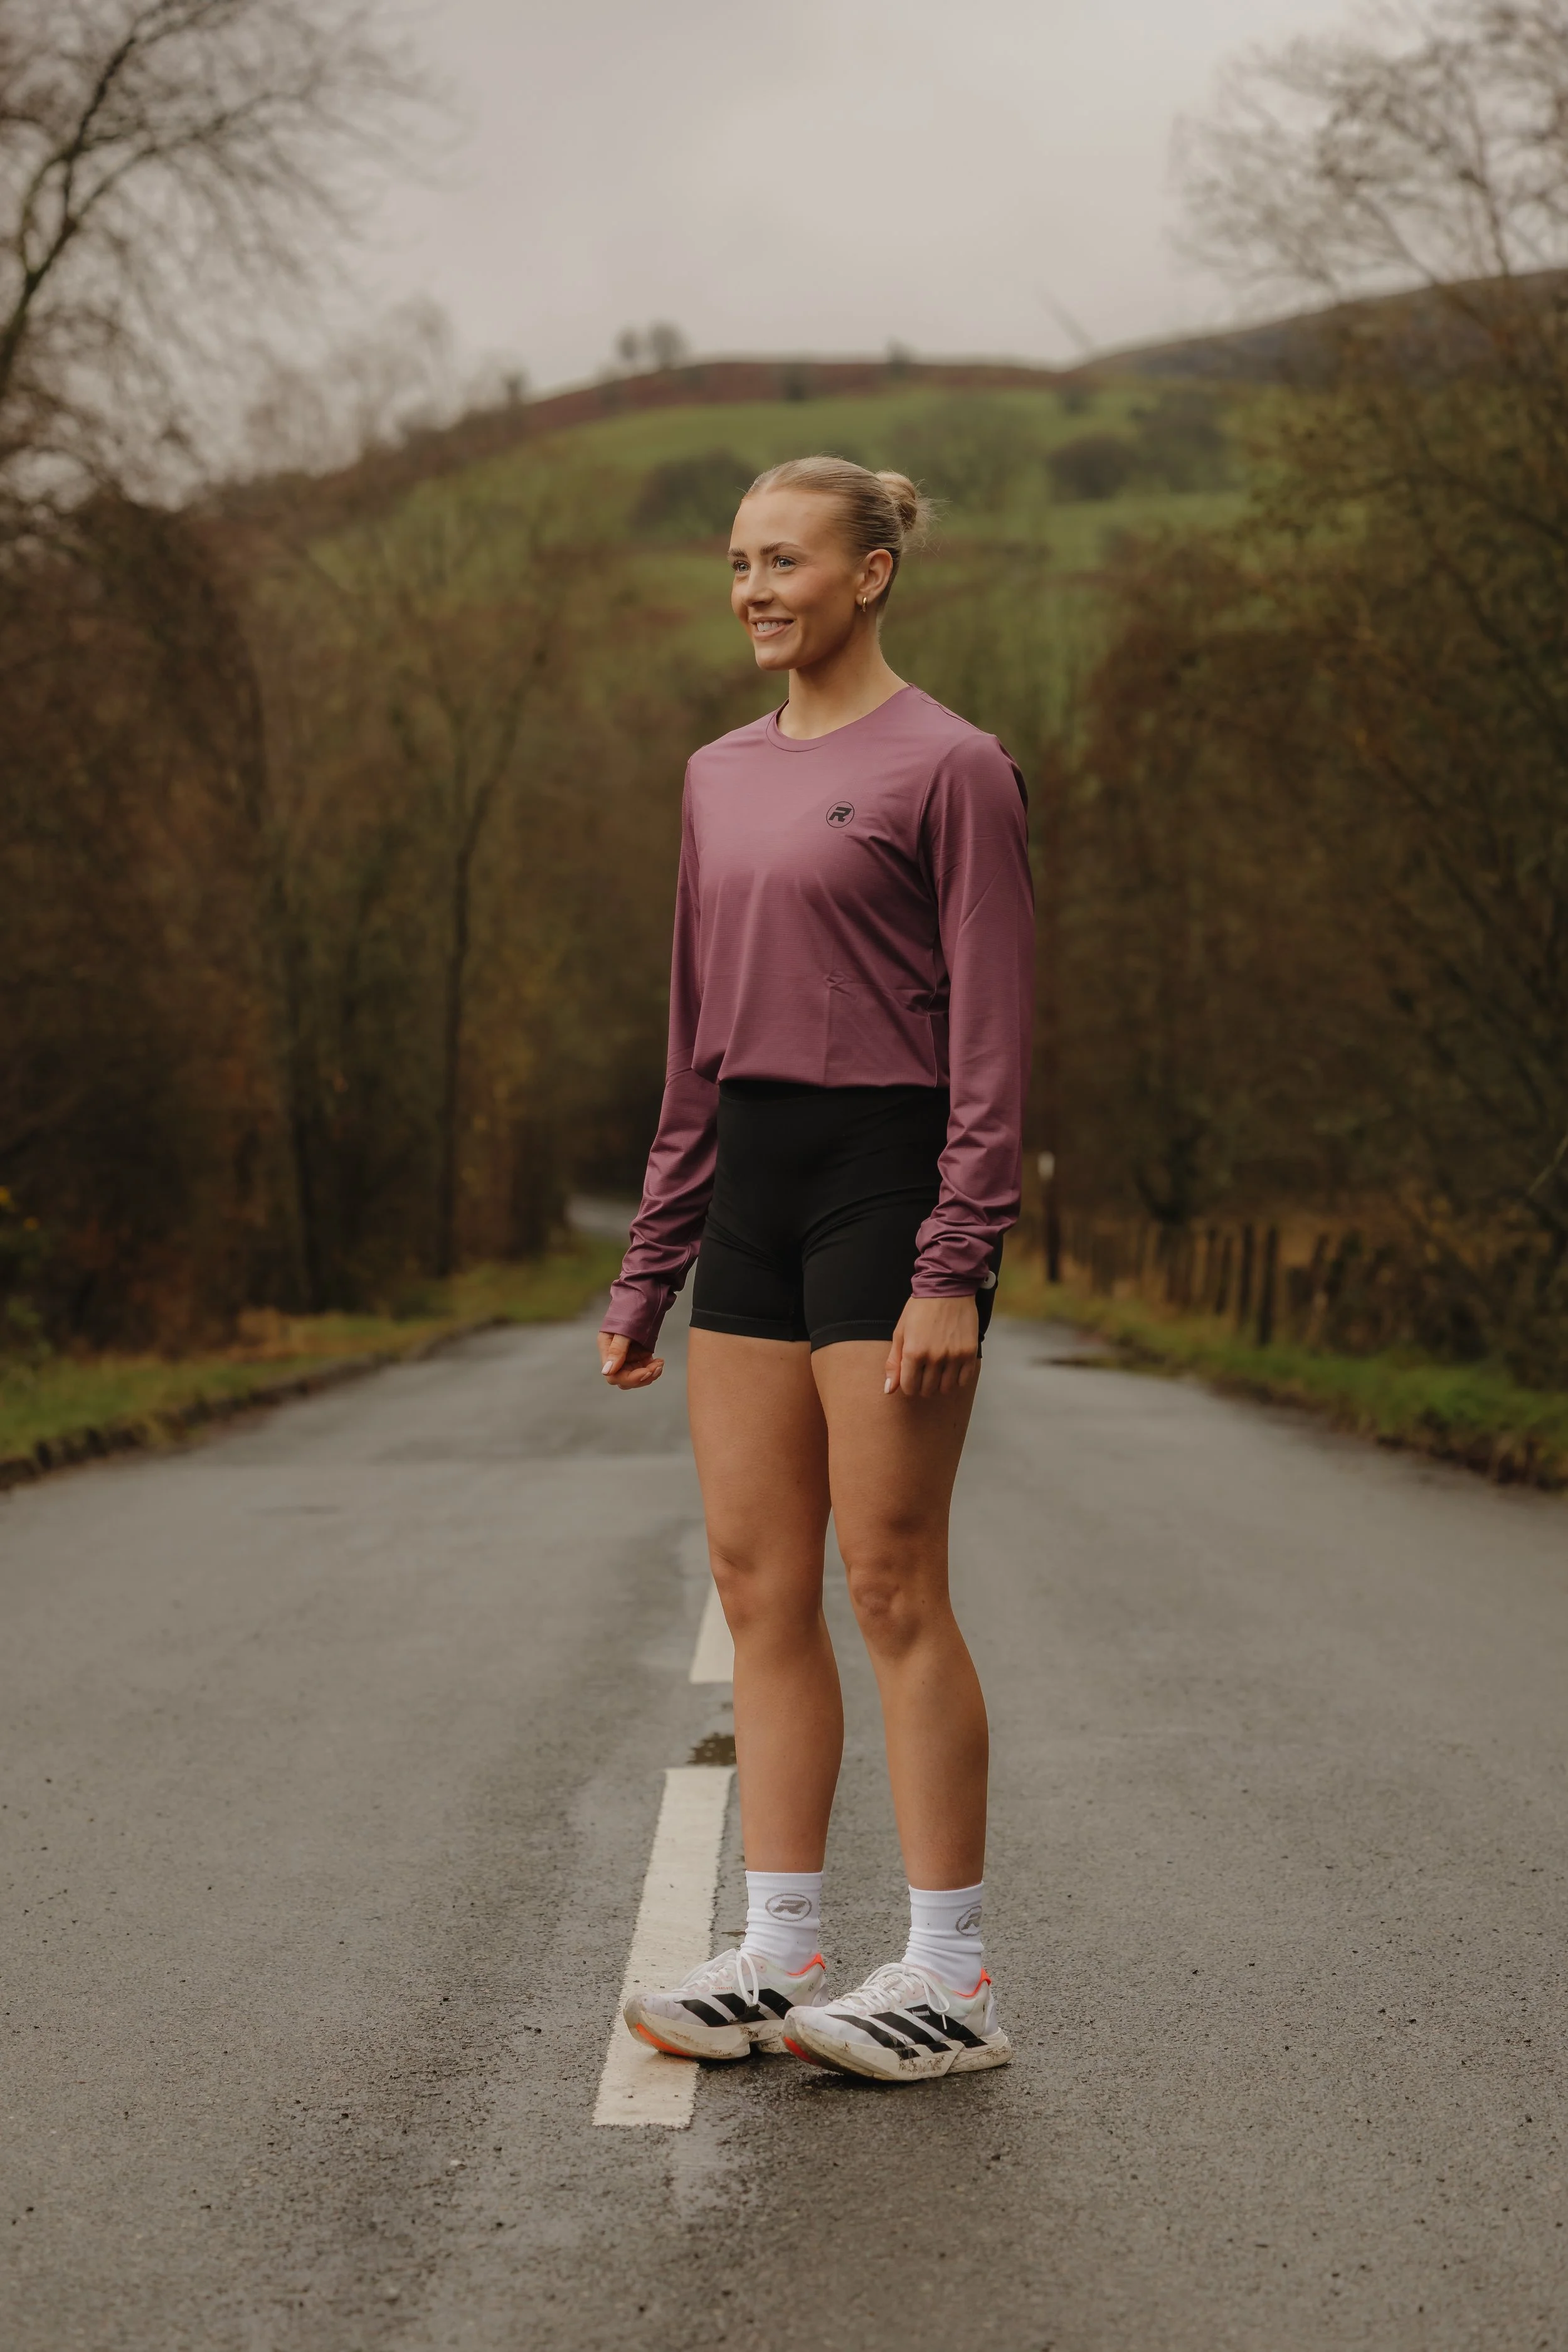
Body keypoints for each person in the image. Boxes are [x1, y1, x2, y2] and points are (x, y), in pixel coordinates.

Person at [596, 455, 1033, 2085]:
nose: (754, 589)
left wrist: (953, 1258)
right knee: (755, 1583)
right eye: (738, 562)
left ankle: (952, 1975)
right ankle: (779, 1950)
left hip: (889, 1182)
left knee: (891, 1579)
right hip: (752, 1189)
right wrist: (649, 1264)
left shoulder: (953, 768)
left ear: (873, 574)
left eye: (784, 560)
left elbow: (992, 1041)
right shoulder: (714, 777)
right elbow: (693, 1042)